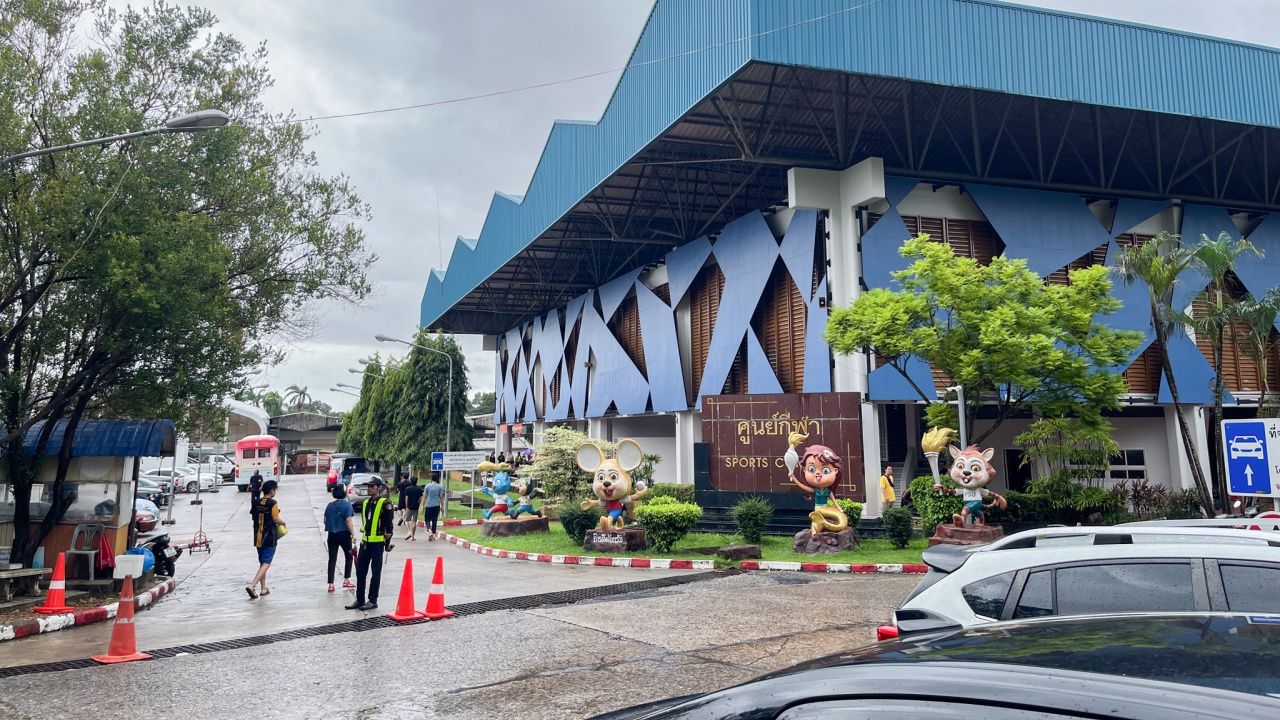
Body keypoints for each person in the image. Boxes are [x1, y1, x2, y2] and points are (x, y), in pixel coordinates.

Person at [346, 476, 395, 611]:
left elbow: (389, 527)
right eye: (368, 486)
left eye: (372, 486)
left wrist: (387, 544)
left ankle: (373, 600)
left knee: (375, 573)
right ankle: (360, 599)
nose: (369, 488)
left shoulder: (385, 504)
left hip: (378, 544)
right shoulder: (366, 503)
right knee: (360, 572)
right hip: (365, 543)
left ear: (379, 488)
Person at [247, 479, 284, 599]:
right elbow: (276, 519)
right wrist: (284, 522)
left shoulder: (256, 501)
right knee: (267, 563)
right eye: (275, 490)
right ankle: (252, 585)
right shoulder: (273, 503)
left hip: (258, 535)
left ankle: (263, 588)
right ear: (272, 490)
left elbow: (254, 516)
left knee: (262, 562)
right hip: (269, 536)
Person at [324, 484, 356, 592]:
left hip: (332, 534)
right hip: (344, 534)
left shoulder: (329, 505)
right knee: (349, 556)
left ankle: (331, 584)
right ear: (344, 493)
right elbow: (348, 520)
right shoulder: (347, 505)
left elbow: (325, 520)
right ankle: (346, 580)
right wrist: (353, 534)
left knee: (332, 558)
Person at [402, 475, 424, 541]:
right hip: (416, 507)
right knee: (414, 521)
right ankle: (413, 537)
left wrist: (406, 507)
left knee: (406, 520)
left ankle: (409, 532)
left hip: (409, 507)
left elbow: (406, 499)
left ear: (411, 481)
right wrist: (418, 504)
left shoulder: (408, 489)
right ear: (416, 481)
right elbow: (420, 499)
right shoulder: (419, 489)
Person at [422, 474, 444, 540]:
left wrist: (423, 505)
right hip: (436, 505)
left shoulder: (427, 486)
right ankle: (434, 535)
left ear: (431, 479)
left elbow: (425, 496)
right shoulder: (440, 487)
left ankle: (429, 530)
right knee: (434, 520)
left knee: (427, 520)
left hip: (429, 505)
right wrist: (442, 506)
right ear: (437, 479)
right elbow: (441, 497)